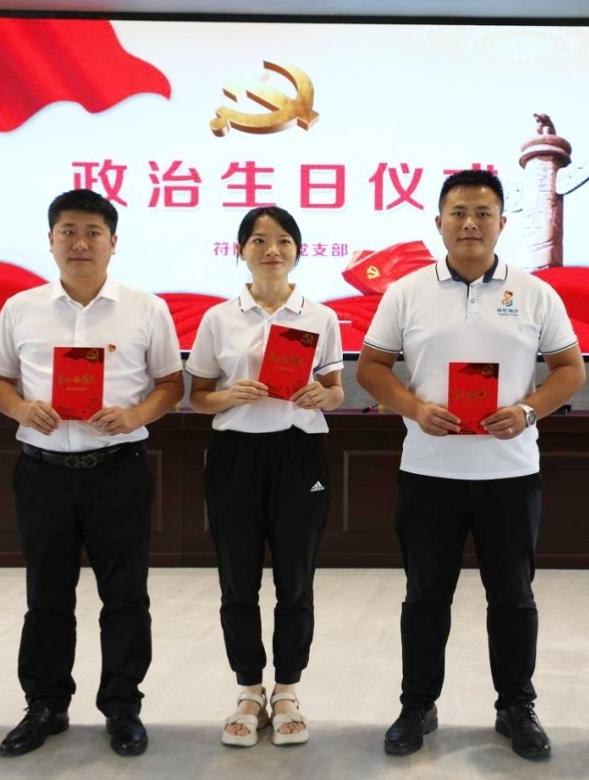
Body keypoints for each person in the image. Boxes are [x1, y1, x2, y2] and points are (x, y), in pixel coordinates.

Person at [357, 169, 586, 761]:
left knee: (513, 599)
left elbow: (570, 371)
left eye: (483, 213)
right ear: (438, 222)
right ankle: (417, 705)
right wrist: (414, 408)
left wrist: (528, 411)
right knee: (425, 597)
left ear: (502, 223)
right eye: (458, 213)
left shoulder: (535, 293)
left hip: (509, 474)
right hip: (429, 473)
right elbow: (372, 368)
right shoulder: (406, 291)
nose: (469, 224)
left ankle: (516, 706)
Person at [0, 189, 183, 758]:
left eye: (93, 232)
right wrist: (22, 410)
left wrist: (135, 416)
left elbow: (171, 384)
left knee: (125, 595)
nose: (80, 243)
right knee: (46, 594)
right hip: (42, 472)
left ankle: (122, 706)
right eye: (68, 231)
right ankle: (45, 704)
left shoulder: (147, 308)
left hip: (118, 471)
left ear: (113, 243)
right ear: (50, 240)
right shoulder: (20, 307)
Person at [187, 206, 344, 747]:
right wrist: (230, 395)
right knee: (238, 580)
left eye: (282, 241)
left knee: (296, 579)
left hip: (300, 453)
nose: (271, 250)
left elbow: (336, 391)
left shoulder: (320, 316)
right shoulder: (218, 318)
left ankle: (288, 690)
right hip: (236, 455)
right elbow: (197, 397)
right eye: (258, 240)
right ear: (241, 251)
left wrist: (323, 395)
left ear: (298, 250)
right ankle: (249, 690)